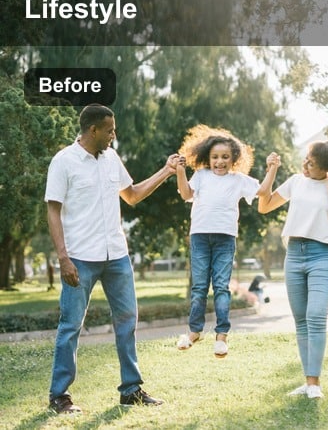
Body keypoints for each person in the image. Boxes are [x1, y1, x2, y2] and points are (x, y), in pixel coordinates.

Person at [44, 104, 172, 413]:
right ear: (93, 130)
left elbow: (132, 195)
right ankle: (59, 395)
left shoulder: (112, 158)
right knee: (71, 325)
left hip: (116, 255)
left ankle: (131, 390)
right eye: (110, 130)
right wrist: (63, 258)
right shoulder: (64, 161)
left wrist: (167, 171)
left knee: (127, 321)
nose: (114, 134)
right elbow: (53, 210)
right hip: (79, 257)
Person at [258, 140, 328, 400]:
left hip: (324, 255)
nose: (306, 164)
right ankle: (309, 382)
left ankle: (314, 385)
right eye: (306, 159)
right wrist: (272, 170)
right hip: (294, 255)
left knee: (316, 315)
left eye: (312, 163)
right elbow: (264, 206)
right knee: (301, 321)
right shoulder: (296, 181)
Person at [173, 125, 277, 358]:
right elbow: (186, 194)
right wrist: (180, 171)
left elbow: (262, 191)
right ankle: (194, 332)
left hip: (225, 239)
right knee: (199, 287)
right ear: (207, 158)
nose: (220, 162)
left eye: (225, 157)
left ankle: (221, 336)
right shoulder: (201, 175)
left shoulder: (238, 180)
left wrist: (272, 168)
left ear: (234, 159)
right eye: (215, 157)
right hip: (200, 236)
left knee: (221, 286)